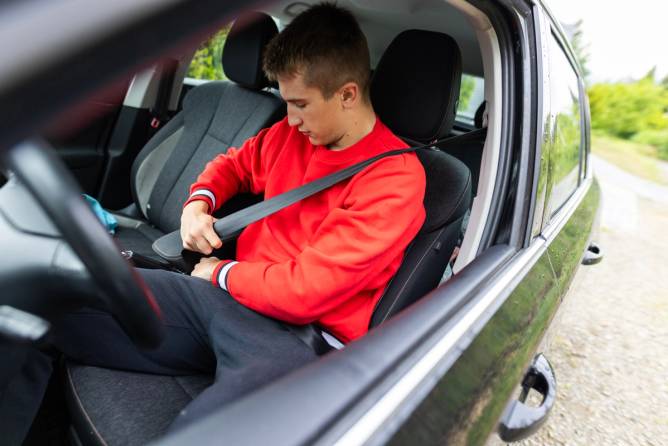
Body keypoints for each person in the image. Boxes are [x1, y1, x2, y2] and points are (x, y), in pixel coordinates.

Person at [0, 3, 425, 443]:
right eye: (285, 103)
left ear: (348, 95)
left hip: (302, 339)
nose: (291, 119)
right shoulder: (290, 133)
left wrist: (221, 272)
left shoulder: (395, 180)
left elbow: (306, 290)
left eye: (300, 104)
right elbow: (231, 167)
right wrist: (197, 205)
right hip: (230, 299)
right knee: (44, 301)